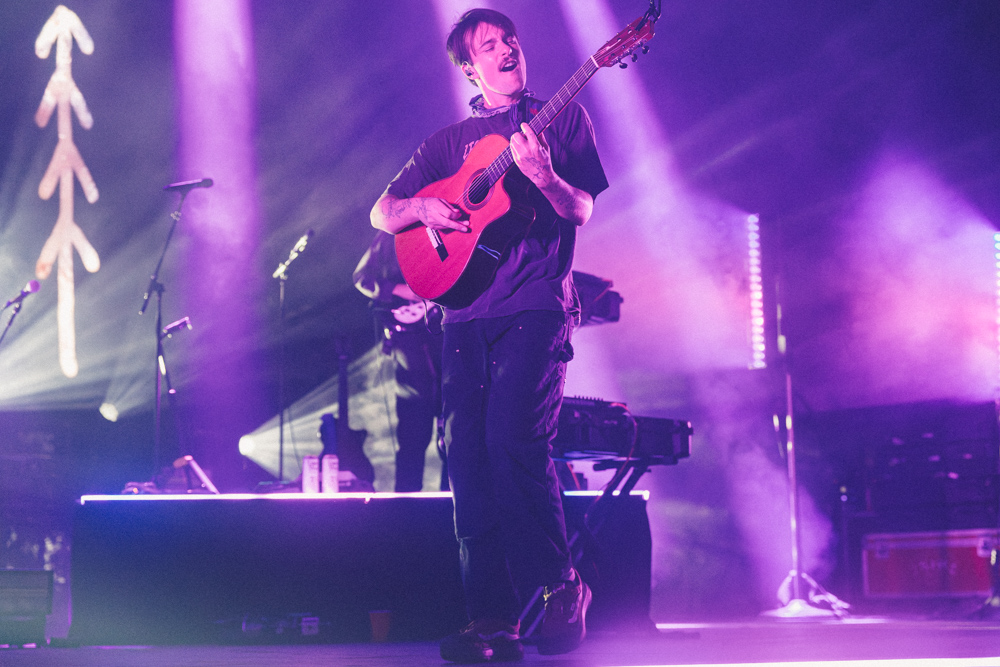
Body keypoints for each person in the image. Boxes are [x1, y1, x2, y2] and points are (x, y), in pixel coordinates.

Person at [370, 8, 608, 663]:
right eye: (490, 45)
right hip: (462, 317)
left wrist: (545, 177)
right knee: (467, 460)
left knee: (514, 442)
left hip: (536, 307)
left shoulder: (562, 119)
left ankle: (561, 586)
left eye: (511, 40)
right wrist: (423, 206)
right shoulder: (447, 144)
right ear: (469, 67)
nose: (507, 50)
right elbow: (382, 212)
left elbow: (581, 208)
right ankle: (491, 619)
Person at [353, 230, 445, 492]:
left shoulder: (444, 227)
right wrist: (399, 289)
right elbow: (362, 278)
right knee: (412, 434)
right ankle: (406, 507)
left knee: (455, 437)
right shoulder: (388, 235)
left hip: (445, 335)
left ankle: (452, 506)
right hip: (409, 344)